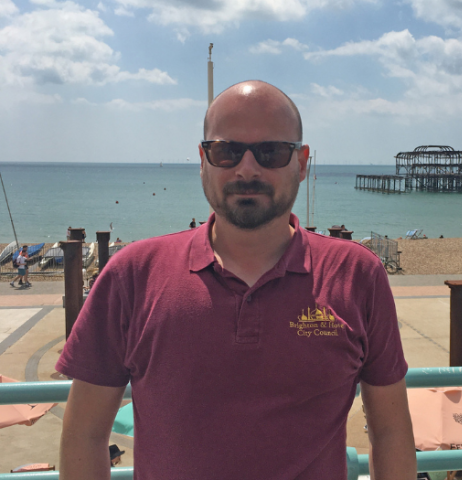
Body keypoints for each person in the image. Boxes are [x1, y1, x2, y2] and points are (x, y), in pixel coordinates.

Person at [56, 80, 416, 480]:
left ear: (301, 162)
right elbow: (84, 435)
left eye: (271, 151)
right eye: (226, 151)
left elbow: (390, 432)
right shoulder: (133, 273)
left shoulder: (357, 274)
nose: (248, 168)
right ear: (203, 159)